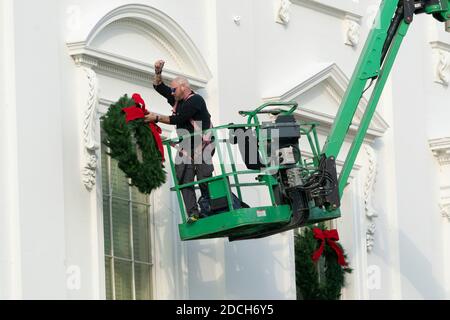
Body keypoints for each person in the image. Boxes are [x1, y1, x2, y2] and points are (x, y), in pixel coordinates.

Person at [144, 59, 214, 223]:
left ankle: (209, 207)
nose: (172, 93)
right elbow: (159, 87)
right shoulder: (177, 98)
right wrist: (157, 73)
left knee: (204, 176)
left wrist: (156, 117)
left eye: (174, 89)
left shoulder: (196, 101)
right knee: (183, 176)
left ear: (184, 87)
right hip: (187, 147)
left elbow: (179, 118)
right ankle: (193, 213)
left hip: (203, 144)